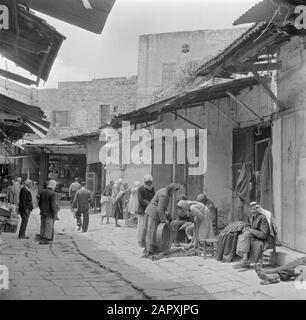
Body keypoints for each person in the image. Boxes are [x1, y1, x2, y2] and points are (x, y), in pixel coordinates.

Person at [144, 183, 181, 257]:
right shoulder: (165, 195)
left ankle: (148, 249)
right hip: (153, 213)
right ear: (172, 190)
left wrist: (165, 212)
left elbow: (162, 206)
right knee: (152, 232)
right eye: (175, 191)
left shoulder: (163, 190)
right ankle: (150, 251)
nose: (175, 193)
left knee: (150, 232)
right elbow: (160, 209)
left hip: (150, 211)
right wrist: (164, 219)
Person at [233, 202, 271, 269]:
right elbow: (248, 225)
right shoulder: (251, 217)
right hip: (254, 236)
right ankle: (245, 259)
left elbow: (264, 234)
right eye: (251, 209)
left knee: (246, 234)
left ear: (258, 209)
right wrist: (246, 228)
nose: (252, 211)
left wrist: (251, 231)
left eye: (254, 209)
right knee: (241, 235)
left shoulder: (262, 218)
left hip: (262, 238)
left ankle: (244, 259)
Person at [137, 175, 155, 248]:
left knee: (148, 227)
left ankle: (146, 241)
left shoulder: (152, 188)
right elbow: (141, 200)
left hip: (150, 210)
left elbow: (154, 197)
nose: (149, 184)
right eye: (147, 182)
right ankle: (140, 241)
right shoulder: (140, 189)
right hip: (143, 210)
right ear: (145, 182)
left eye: (150, 182)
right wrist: (150, 203)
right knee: (141, 226)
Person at [38, 180, 58, 244]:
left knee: (43, 225)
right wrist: (55, 214)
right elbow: (53, 205)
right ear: (53, 186)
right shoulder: (53, 194)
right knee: (49, 225)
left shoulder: (42, 192)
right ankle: (46, 238)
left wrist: (41, 209)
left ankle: (42, 236)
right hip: (49, 212)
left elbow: (39, 203)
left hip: (42, 211)